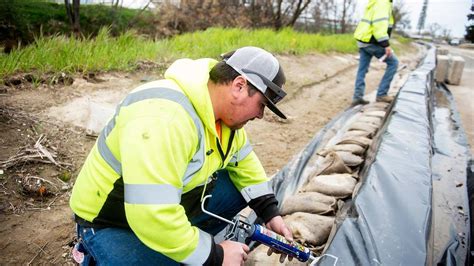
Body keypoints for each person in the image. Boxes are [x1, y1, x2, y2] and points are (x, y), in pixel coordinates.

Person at [69, 46, 294, 265]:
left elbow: (244, 161)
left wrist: (270, 213)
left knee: (241, 189)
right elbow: (151, 213)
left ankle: (178, 240)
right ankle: (95, 250)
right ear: (239, 85)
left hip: (165, 207)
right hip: (113, 221)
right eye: (262, 105)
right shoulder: (164, 117)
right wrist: (215, 256)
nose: (261, 115)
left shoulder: (223, 119)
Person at [351, 0, 399, 107]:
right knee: (394, 63)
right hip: (372, 42)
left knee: (362, 69)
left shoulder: (375, 1)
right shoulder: (383, 3)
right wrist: (386, 45)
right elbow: (379, 25)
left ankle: (357, 97)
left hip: (363, 41)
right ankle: (382, 94)